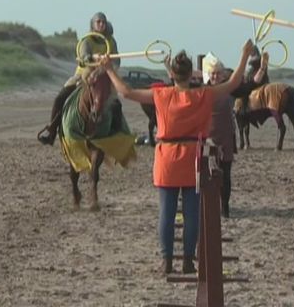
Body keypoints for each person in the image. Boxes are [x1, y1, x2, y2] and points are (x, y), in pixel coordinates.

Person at [100, 39, 255, 275]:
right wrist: (244, 55)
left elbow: (126, 92)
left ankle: (167, 261)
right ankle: (188, 261)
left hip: (167, 158)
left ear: (172, 73)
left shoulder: (161, 95)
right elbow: (234, 82)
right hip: (193, 158)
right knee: (192, 212)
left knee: (167, 212)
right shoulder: (202, 95)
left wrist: (109, 68)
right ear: (190, 72)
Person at [37, 12, 121, 146]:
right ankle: (52, 131)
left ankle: (117, 134)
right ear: (93, 24)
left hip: (104, 75)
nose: (101, 24)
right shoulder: (86, 40)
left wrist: (109, 65)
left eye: (103, 22)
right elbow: (83, 58)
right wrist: (89, 58)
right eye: (98, 22)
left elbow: (117, 61)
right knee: (60, 98)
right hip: (84, 75)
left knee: (116, 104)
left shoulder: (111, 41)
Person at [205, 59, 236, 218]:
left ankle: (224, 207)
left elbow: (252, 83)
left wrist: (263, 68)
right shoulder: (203, 90)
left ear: (223, 75)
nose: (215, 76)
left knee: (225, 174)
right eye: (212, 73)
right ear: (209, 75)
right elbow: (179, 85)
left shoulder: (229, 89)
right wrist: (169, 67)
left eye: (218, 73)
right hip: (207, 138)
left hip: (225, 136)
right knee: (207, 174)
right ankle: (210, 206)